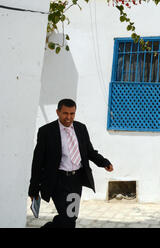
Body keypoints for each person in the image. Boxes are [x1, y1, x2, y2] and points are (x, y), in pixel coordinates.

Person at [28, 98, 113, 228]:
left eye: (72, 113)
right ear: (58, 112)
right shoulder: (46, 131)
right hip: (58, 181)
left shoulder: (80, 128)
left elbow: (89, 151)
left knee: (71, 217)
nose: (69, 117)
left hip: (76, 180)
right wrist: (33, 189)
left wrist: (104, 162)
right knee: (67, 218)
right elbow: (37, 162)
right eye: (65, 113)